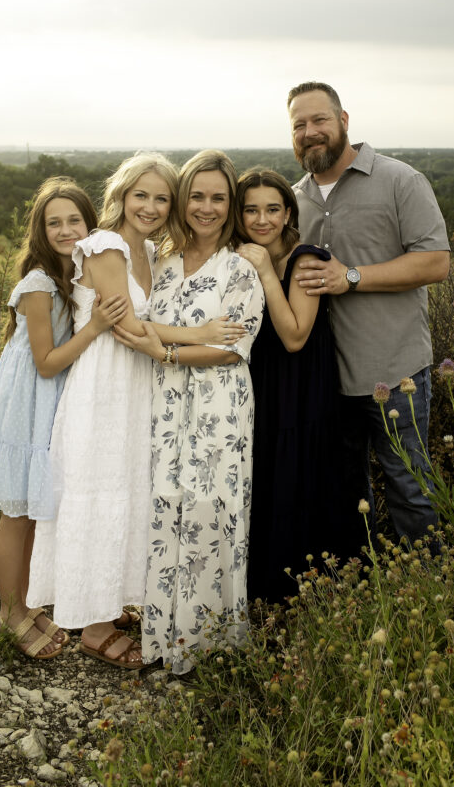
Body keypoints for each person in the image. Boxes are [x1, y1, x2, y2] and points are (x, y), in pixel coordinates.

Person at [27, 153, 242, 669]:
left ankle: (112, 597)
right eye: (139, 194)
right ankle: (92, 625)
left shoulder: (150, 248)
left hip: (140, 384)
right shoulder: (104, 245)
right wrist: (202, 333)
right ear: (121, 195)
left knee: (130, 492)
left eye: (161, 197)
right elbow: (127, 327)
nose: (149, 206)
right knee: (99, 492)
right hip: (105, 385)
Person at [114, 149, 264, 674]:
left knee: (210, 512)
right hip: (165, 404)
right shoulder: (163, 262)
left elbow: (232, 347)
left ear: (231, 204)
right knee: (165, 507)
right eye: (196, 196)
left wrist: (167, 350)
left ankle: (209, 644)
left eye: (218, 198)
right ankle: (162, 634)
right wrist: (168, 345)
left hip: (219, 407)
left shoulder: (241, 267)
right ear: (183, 200)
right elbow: (138, 325)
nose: (206, 207)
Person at [0, 177, 127, 659]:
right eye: (53, 222)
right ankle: (10, 612)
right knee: (17, 513)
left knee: (40, 508)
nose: (65, 230)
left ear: (90, 224)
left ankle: (31, 602)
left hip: (51, 405)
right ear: (40, 230)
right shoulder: (38, 284)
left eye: (74, 220)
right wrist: (97, 326)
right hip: (26, 406)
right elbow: (46, 362)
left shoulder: (77, 275)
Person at [286, 81, 450, 546]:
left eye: (319, 119)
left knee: (410, 487)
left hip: (394, 370)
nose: (310, 131)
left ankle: (432, 586)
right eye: (299, 124)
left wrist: (350, 277)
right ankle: (365, 586)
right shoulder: (293, 198)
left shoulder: (400, 180)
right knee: (344, 490)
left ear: (343, 120)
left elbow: (436, 262)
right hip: (325, 377)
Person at [235, 169, 360, 603]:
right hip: (260, 383)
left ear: (289, 212)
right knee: (266, 475)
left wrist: (266, 271)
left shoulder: (307, 259)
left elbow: (294, 336)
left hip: (302, 386)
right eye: (251, 209)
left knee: (300, 475)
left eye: (272, 208)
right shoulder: (240, 256)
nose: (262, 219)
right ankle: (260, 592)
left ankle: (303, 594)